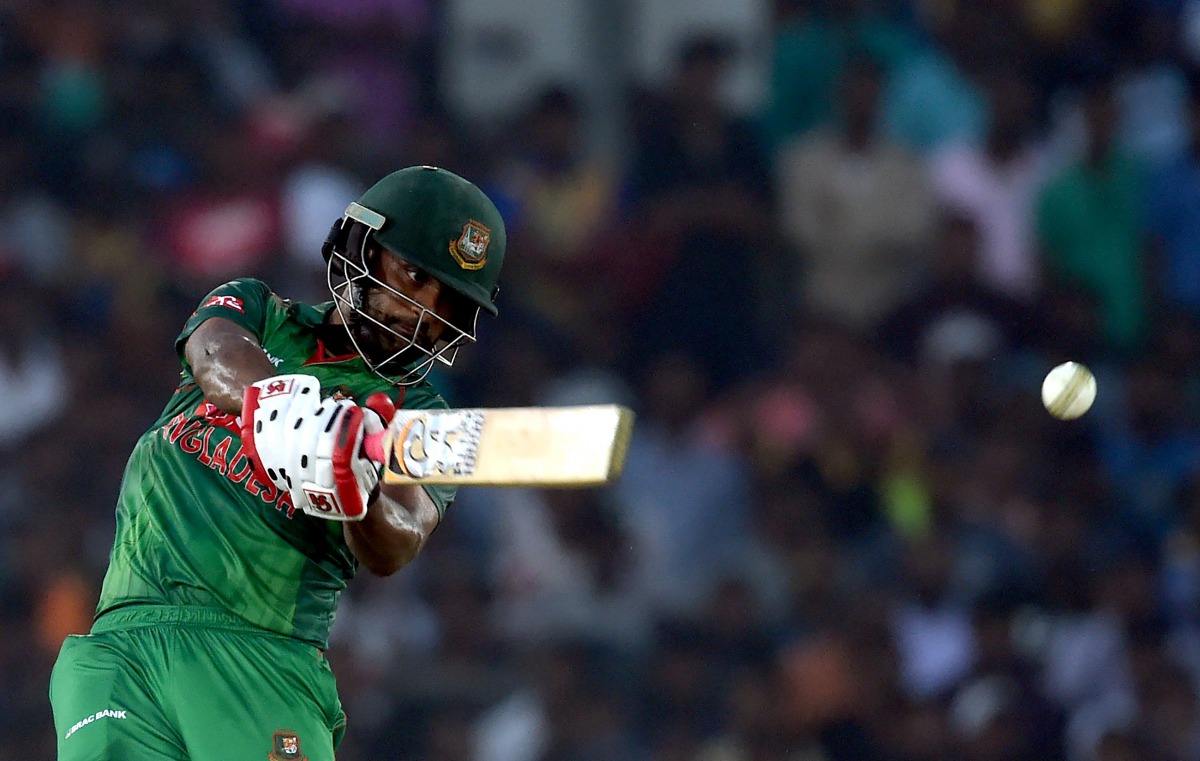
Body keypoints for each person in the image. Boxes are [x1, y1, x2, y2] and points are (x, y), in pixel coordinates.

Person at [48, 165, 506, 761]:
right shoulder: (260, 311)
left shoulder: (423, 412)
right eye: (415, 275)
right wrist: (294, 415)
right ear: (361, 247)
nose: (421, 309)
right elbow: (214, 353)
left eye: (446, 299)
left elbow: (403, 537)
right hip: (118, 646)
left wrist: (355, 491)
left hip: (259, 659)